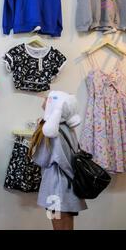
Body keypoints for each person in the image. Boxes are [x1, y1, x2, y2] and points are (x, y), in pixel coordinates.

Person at [29, 91, 88, 230]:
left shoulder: (51, 131)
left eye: (48, 99)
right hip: (69, 188)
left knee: (58, 226)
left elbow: (41, 159)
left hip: (55, 190)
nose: (44, 100)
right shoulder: (68, 128)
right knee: (67, 226)